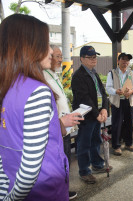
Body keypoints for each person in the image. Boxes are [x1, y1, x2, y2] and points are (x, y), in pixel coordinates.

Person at [0, 14, 68, 200]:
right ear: (29, 47)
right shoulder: (37, 91)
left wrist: (4, 192)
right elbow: (30, 169)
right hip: (44, 191)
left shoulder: (6, 87)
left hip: (13, 184)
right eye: (46, 44)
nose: (51, 52)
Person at [43, 45, 83, 200]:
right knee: (60, 162)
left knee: (65, 160)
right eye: (56, 56)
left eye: (60, 56)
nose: (60, 59)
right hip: (57, 127)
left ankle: (64, 190)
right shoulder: (42, 76)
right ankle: (60, 192)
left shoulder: (53, 74)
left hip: (64, 125)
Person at [71, 46, 111, 184]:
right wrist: (97, 114)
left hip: (97, 115)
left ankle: (97, 165)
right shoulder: (78, 76)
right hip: (87, 116)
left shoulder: (94, 73)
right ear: (82, 59)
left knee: (96, 141)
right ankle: (84, 171)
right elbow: (84, 98)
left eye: (95, 57)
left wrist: (104, 109)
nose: (94, 59)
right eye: (90, 57)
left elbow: (103, 94)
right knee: (84, 143)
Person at [106, 53, 133, 156]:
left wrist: (132, 91)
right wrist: (116, 91)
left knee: (129, 123)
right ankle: (116, 146)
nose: (125, 62)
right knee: (117, 124)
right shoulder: (112, 73)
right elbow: (108, 87)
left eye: (127, 60)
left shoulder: (131, 73)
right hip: (117, 102)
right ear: (118, 61)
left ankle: (128, 144)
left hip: (128, 101)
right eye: (123, 60)